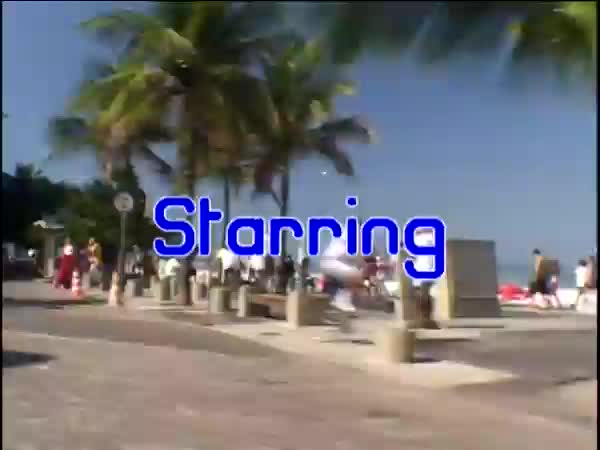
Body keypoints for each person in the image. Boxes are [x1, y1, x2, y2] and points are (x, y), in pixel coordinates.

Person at [320, 232, 365, 312]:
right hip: (331, 262)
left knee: (354, 273)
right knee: (355, 273)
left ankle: (340, 299)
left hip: (330, 263)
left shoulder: (342, 242)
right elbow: (348, 257)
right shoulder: (345, 242)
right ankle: (340, 300)